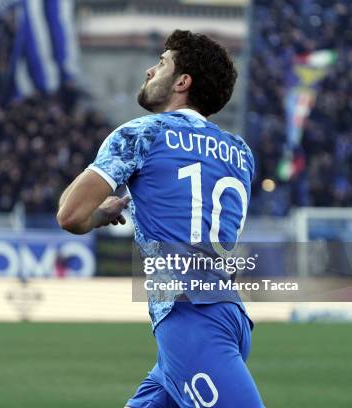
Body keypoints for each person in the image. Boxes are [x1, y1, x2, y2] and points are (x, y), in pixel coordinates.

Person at [57, 30, 265, 407]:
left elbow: (70, 215)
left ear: (183, 82)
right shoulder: (240, 154)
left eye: (162, 63)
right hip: (229, 314)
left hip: (190, 321)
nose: (151, 71)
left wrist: (98, 217)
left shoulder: (142, 133)